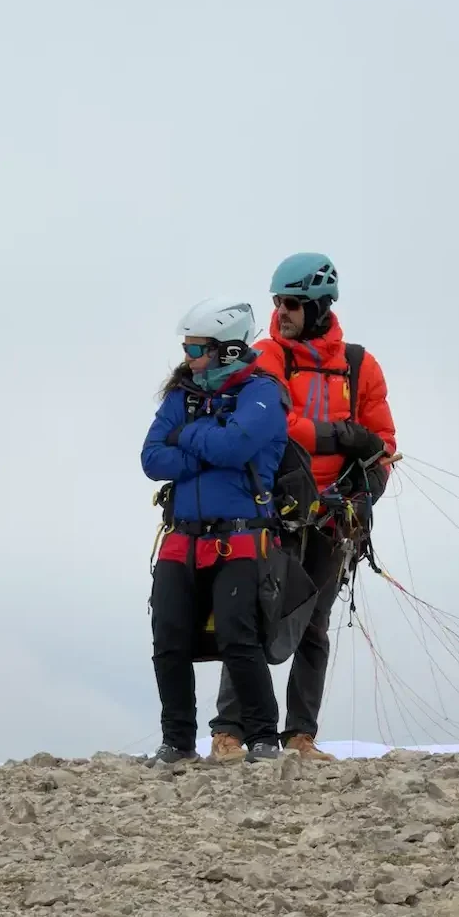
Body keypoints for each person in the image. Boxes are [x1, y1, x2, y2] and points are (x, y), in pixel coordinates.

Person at [208, 253, 397, 763]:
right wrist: (339, 435)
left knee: (314, 623)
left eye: (291, 303)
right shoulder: (264, 357)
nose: (281, 311)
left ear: (319, 308)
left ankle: (300, 735)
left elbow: (383, 445)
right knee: (251, 614)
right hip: (274, 509)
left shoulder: (361, 366)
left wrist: (366, 492)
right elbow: (270, 426)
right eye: (277, 302)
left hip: (335, 518)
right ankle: (229, 730)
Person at [140, 296, 289, 765]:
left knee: (237, 637)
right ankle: (178, 742)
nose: (188, 357)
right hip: (182, 536)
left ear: (226, 349)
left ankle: (264, 736)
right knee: (168, 638)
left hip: (241, 535)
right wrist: (209, 442)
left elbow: (235, 445)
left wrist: (184, 436)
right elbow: (150, 457)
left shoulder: (263, 394)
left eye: (196, 348)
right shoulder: (180, 396)